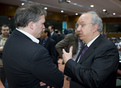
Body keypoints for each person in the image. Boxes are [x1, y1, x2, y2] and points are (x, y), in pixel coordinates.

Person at [3, 3, 64, 88]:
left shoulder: (11, 39)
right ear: (32, 25)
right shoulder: (37, 52)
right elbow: (59, 80)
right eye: (42, 23)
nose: (43, 27)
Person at [62, 11, 119, 88]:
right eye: (77, 26)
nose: (78, 29)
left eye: (82, 25)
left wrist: (69, 62)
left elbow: (94, 79)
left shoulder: (107, 48)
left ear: (94, 28)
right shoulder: (86, 44)